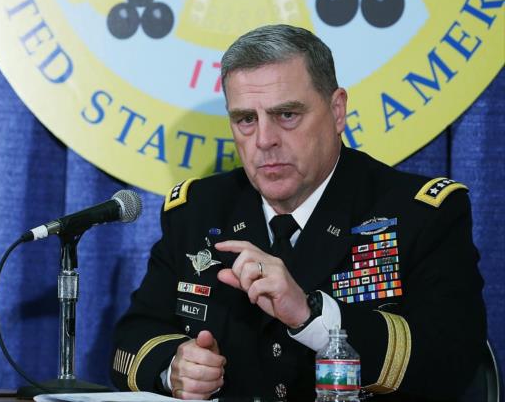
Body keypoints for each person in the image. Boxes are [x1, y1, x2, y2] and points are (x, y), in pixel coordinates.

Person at [110, 25, 487, 401]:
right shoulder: (199, 209)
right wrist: (174, 367)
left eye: (287, 115)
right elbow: (131, 341)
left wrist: (312, 318)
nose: (264, 140)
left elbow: (452, 361)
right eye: (246, 119)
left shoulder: (417, 213)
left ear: (337, 111)